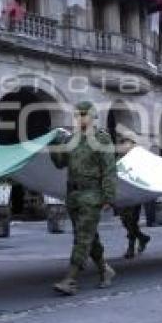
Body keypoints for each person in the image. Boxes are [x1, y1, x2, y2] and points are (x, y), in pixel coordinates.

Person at [50, 101, 116, 295]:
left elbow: (109, 170)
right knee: (88, 236)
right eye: (77, 115)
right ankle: (105, 270)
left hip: (92, 195)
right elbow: (60, 164)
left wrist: (108, 197)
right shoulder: (72, 139)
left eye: (84, 114)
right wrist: (56, 145)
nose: (80, 118)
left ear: (93, 117)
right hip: (74, 195)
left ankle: (70, 279)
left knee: (82, 237)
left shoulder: (102, 139)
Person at [114, 128, 150, 259]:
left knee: (132, 220)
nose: (124, 144)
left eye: (127, 142)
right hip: (122, 194)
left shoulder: (138, 158)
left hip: (134, 194)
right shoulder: (119, 157)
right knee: (125, 221)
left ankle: (131, 247)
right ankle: (143, 237)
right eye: (123, 142)